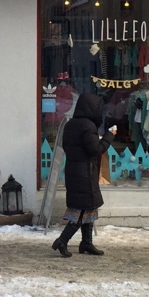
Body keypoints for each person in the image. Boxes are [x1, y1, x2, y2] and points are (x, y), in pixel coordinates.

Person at [52, 92, 116, 258]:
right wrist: (109, 136)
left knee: (88, 207)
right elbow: (95, 150)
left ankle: (86, 243)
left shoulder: (71, 124)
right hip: (85, 173)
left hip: (74, 171)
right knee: (80, 210)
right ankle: (62, 240)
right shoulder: (88, 126)